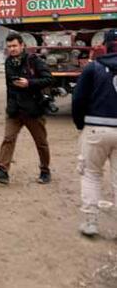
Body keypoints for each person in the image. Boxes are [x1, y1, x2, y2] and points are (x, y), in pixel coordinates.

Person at [0, 33, 53, 185]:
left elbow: (49, 79)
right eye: (9, 47)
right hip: (14, 110)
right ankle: (2, 171)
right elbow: (9, 87)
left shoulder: (34, 60)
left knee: (41, 142)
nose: (12, 49)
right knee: (8, 139)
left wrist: (29, 83)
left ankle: (45, 170)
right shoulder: (9, 62)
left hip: (33, 110)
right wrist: (9, 106)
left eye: (15, 46)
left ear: (22, 45)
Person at [72, 29, 117, 237]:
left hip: (95, 128)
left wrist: (80, 124)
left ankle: (91, 222)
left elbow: (78, 100)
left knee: (91, 175)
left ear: (105, 45)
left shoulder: (93, 68)